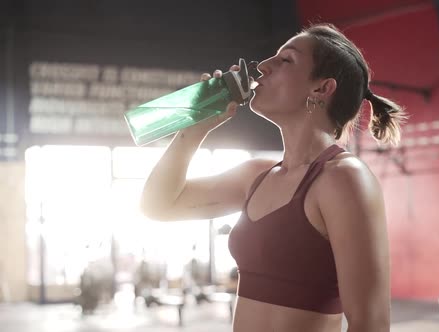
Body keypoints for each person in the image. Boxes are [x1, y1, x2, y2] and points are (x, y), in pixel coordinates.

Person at [140, 23, 406, 332]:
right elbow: (157, 206)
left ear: (321, 88)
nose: (263, 66)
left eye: (286, 60)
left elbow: (370, 323)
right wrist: (194, 129)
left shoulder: (343, 179)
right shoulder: (256, 175)